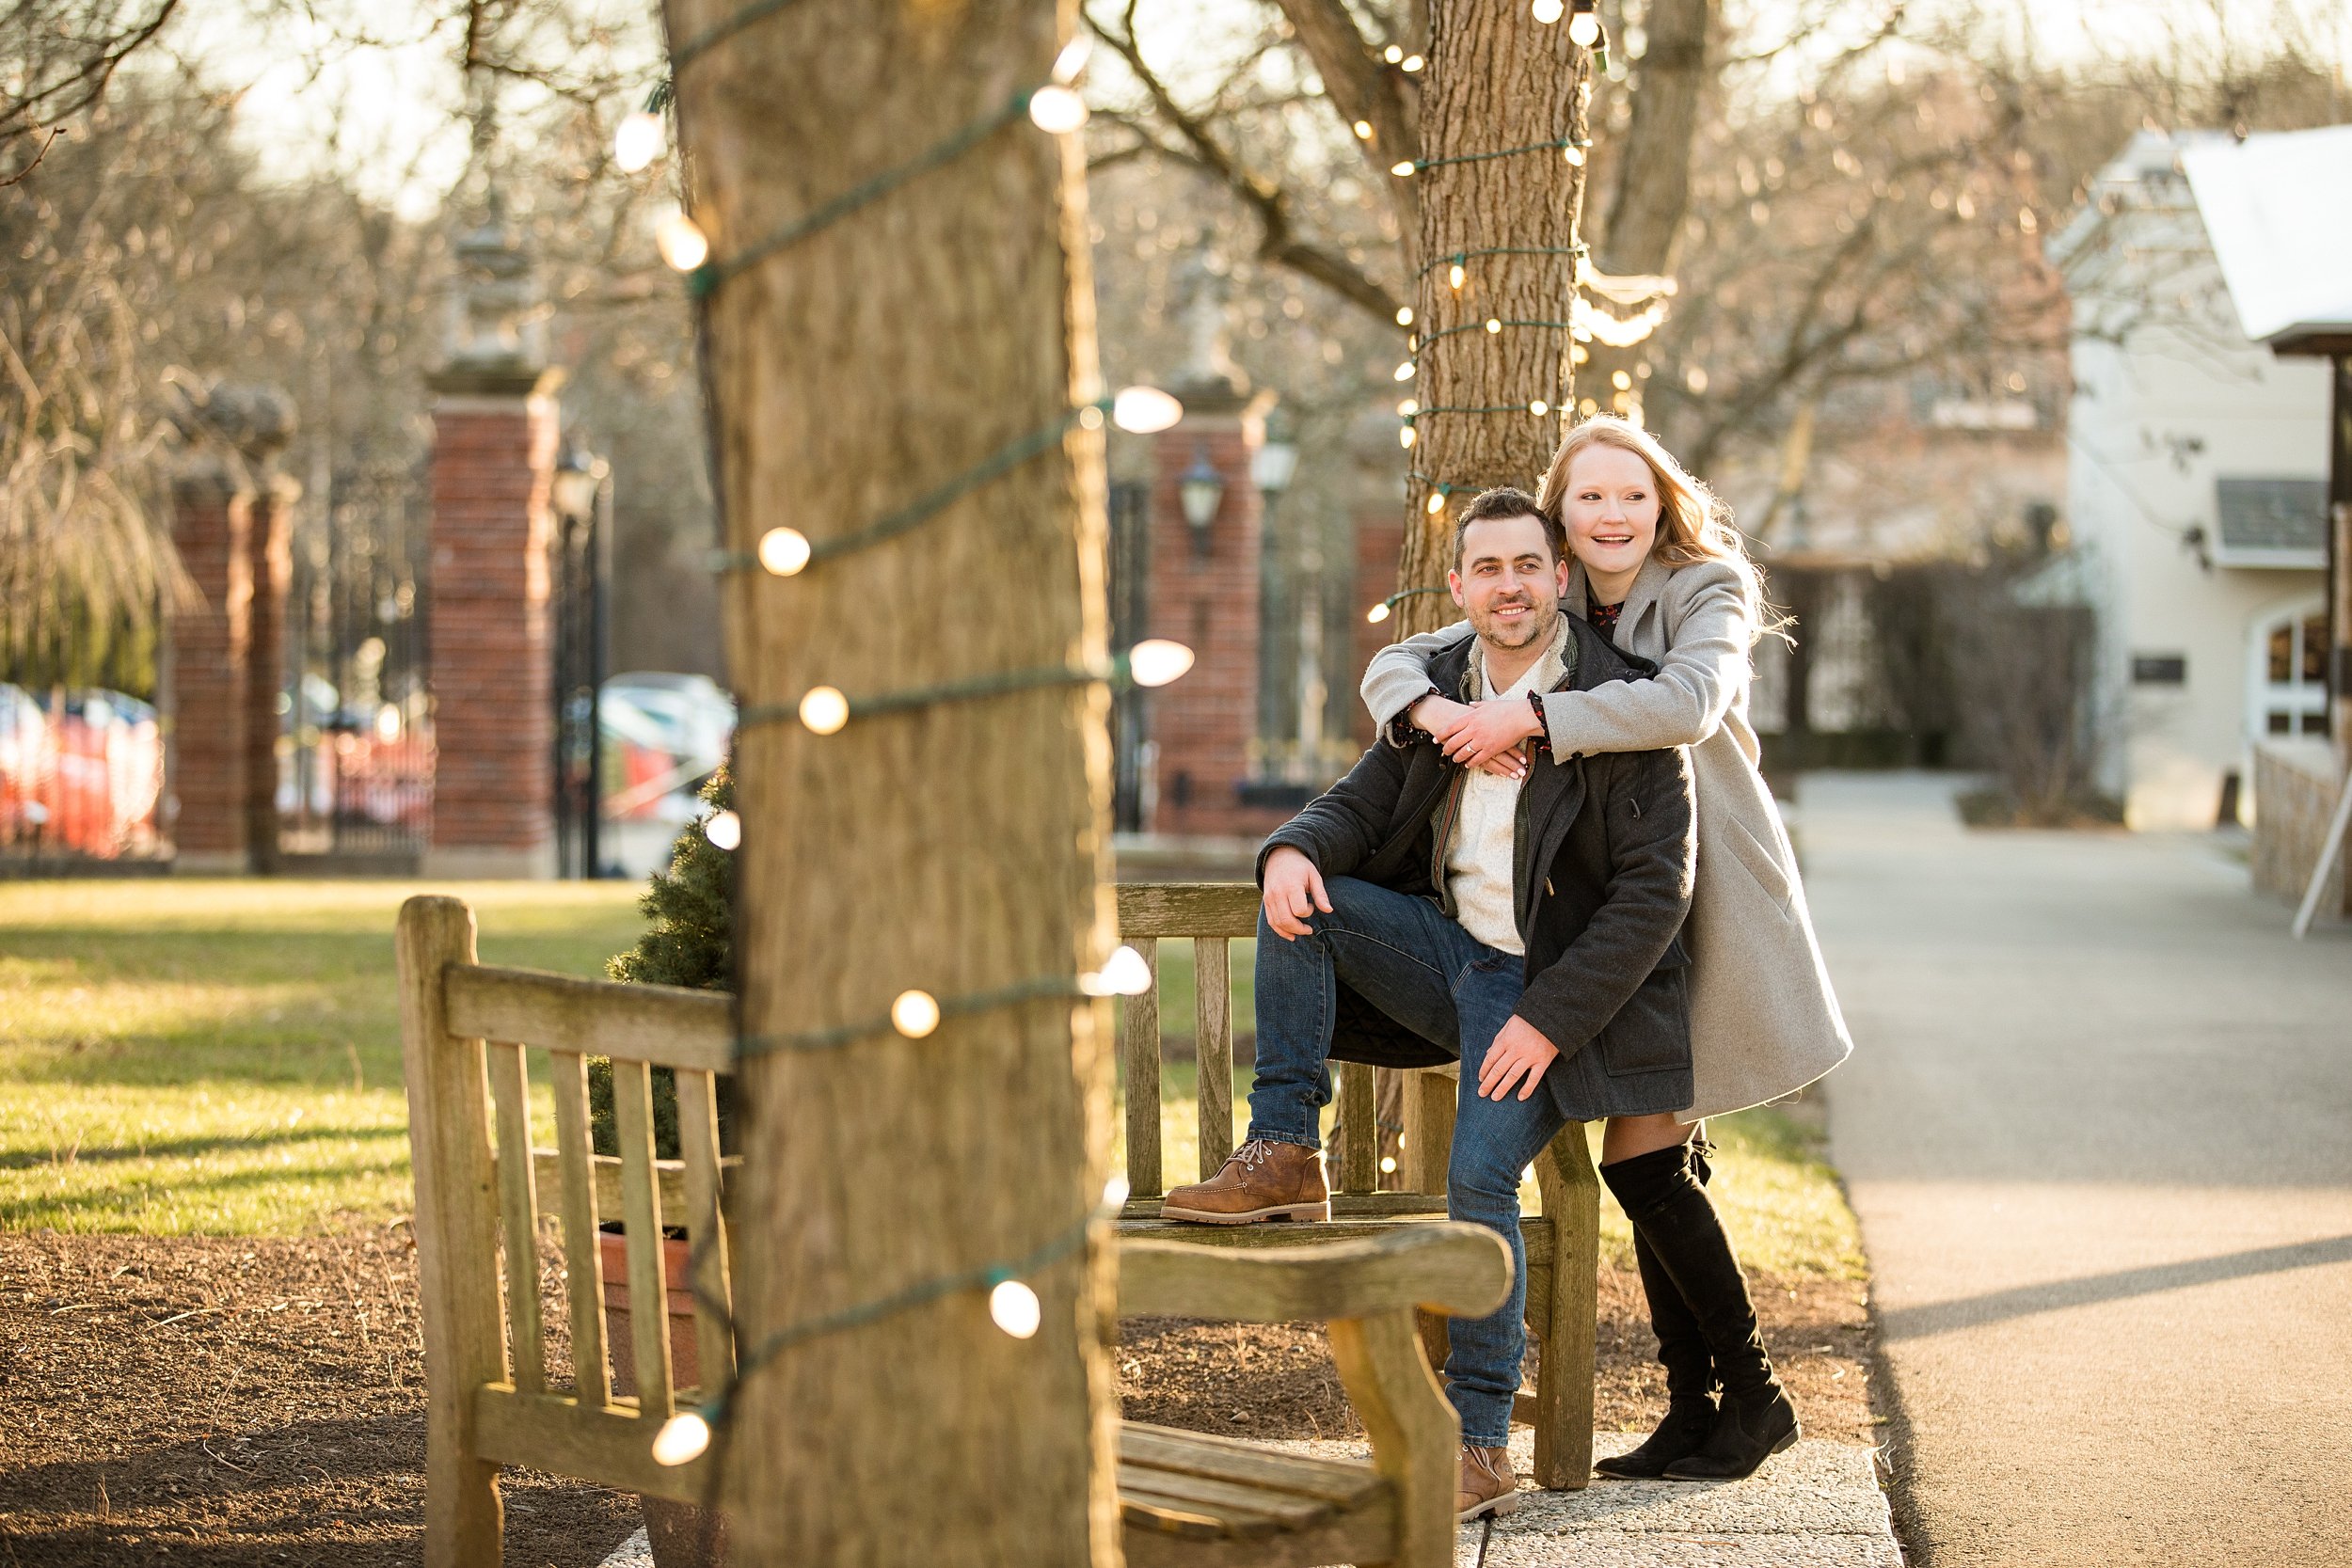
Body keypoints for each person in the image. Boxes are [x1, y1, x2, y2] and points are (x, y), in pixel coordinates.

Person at [1160, 487, 1779, 1522]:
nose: (1508, 585)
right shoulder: (1434, 691)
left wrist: (1549, 1019)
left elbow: (1648, 899)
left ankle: (1480, 1440)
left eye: (1526, 566)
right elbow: (1358, 803)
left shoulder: (1617, 706)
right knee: (1303, 899)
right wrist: (1292, 849)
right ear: (1458, 587)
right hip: (1449, 959)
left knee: (1480, 1173)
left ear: (1558, 577)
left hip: (1548, 994)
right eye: (1486, 568)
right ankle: (1282, 1148)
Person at [1358, 416, 1851, 1482]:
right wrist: (1441, 709)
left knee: (1650, 1149)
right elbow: (1402, 657)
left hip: (1703, 876)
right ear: (1564, 516)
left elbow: (1688, 699)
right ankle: (1708, 1401)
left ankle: (1749, 1395)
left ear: (1662, 500)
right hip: (1617, 893)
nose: (1612, 514)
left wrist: (1527, 716)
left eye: (1631, 494)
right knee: (1648, 1152)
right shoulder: (1560, 589)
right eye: (1589, 499)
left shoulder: (1707, 585)